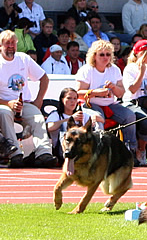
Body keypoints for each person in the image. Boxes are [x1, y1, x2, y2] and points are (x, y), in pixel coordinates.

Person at [0, 29, 58, 168]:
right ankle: (15, 154)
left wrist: (38, 100)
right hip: (3, 103)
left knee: (37, 117)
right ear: (0, 45)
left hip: (24, 102)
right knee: (4, 113)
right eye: (7, 43)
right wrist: (8, 103)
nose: (10, 46)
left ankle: (44, 153)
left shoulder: (24, 59)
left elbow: (44, 78)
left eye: (13, 43)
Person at [75, 39, 139, 161]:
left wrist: (114, 87)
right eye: (102, 54)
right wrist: (95, 93)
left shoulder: (114, 69)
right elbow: (78, 94)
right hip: (90, 104)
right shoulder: (86, 70)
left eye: (108, 54)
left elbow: (121, 93)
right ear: (94, 56)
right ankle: (100, 153)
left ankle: (130, 150)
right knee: (98, 120)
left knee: (130, 116)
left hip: (110, 104)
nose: (105, 57)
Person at [46, 87, 104, 163]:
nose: (72, 101)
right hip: (64, 149)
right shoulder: (56, 115)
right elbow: (49, 127)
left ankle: (99, 152)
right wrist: (70, 119)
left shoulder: (81, 114)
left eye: (75, 98)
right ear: (62, 99)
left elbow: (101, 120)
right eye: (69, 98)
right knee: (65, 125)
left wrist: (93, 118)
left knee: (96, 124)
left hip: (81, 148)